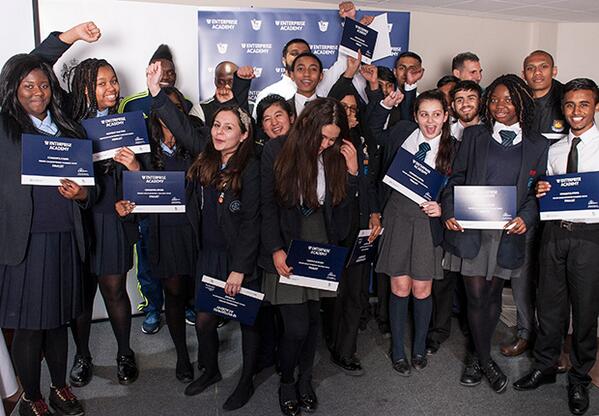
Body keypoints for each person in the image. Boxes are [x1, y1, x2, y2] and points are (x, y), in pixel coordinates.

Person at [0, 22, 101, 416]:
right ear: (13, 89)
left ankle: (59, 388)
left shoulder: (68, 129)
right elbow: (30, 62)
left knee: (59, 322)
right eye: (28, 86)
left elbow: (90, 188)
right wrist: (70, 36)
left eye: (43, 85)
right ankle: (32, 397)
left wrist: (82, 195)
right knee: (29, 327)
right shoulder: (6, 127)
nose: (37, 92)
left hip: (65, 239)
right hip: (25, 244)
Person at [441, 74, 548, 393]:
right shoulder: (474, 135)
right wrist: (449, 210)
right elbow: (455, 178)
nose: (500, 105)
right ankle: (484, 361)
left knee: (491, 298)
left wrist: (527, 216)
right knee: (476, 297)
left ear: (522, 103)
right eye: (495, 99)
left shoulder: (538, 144)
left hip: (507, 233)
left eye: (509, 99)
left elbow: (538, 192)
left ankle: (477, 355)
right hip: (473, 230)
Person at [260, 98, 358, 415]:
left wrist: (353, 173)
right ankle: (287, 381)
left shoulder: (334, 156)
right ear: (307, 124)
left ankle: (305, 379)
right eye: (323, 137)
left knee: (313, 321)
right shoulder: (276, 149)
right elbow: (266, 206)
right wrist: (275, 248)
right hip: (287, 242)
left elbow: (343, 219)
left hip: (320, 240)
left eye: (332, 139)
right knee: (296, 327)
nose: (326, 144)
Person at [513, 78, 599, 416]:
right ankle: (545, 366)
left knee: (585, 310)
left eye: (584, 104)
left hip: (590, 237)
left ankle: (579, 377)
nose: (576, 111)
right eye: (570, 104)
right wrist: (541, 189)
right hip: (553, 233)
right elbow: (546, 189)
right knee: (548, 304)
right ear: (563, 107)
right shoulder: (555, 149)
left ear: (595, 107)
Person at [174, 89, 261, 412]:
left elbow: (252, 222)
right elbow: (181, 127)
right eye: (216, 125)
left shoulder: (251, 166)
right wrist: (156, 95)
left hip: (239, 259)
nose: (219, 132)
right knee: (204, 321)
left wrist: (240, 268)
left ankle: (246, 380)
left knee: (249, 322)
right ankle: (210, 370)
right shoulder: (206, 159)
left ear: (244, 134)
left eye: (228, 127)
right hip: (209, 255)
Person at [116, 84, 202, 384]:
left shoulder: (197, 141)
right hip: (164, 233)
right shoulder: (145, 147)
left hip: (196, 231)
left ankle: (207, 352)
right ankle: (182, 356)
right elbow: (140, 197)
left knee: (200, 295)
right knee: (174, 294)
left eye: (175, 107)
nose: (170, 113)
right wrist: (134, 168)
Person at [369, 89, 454, 376]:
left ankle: (418, 348)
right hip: (397, 215)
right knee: (399, 287)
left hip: (427, 222)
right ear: (415, 116)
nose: (430, 121)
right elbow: (372, 132)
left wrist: (444, 208)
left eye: (436, 114)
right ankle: (397, 350)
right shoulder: (402, 133)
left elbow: (460, 185)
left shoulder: (454, 147)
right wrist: (384, 105)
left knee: (422, 289)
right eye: (424, 114)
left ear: (445, 116)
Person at [118, 44, 193, 336]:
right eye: (160, 70)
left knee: (185, 265)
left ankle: (186, 303)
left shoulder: (187, 108)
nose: (167, 75)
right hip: (149, 206)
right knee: (148, 259)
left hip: (183, 212)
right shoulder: (133, 107)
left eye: (171, 71)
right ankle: (152, 306)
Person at [326, 56, 382, 376]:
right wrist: (350, 173)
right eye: (344, 108)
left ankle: (346, 350)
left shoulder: (362, 140)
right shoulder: (326, 144)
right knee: (335, 293)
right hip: (334, 229)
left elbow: (370, 182)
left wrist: (374, 213)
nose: (351, 113)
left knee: (355, 294)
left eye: (353, 109)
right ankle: (333, 342)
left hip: (360, 226)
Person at [426, 80, 483, 360]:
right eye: (459, 99)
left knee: (475, 285)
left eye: (471, 98)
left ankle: (477, 336)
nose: (465, 104)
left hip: (480, 218)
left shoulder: (491, 135)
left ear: (480, 101)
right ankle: (438, 331)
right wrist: (445, 208)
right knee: (443, 279)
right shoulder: (444, 136)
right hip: (445, 215)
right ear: (452, 105)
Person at [252, 1, 369, 115]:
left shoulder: (323, 83)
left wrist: (350, 21)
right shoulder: (269, 93)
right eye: (294, 53)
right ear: (284, 60)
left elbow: (346, 61)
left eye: (305, 53)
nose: (300, 57)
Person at [522, 50, 568, 142]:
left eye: (544, 67)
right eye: (530, 68)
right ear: (524, 75)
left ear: (554, 71)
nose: (537, 72)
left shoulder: (568, 98)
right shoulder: (515, 101)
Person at [189, 61, 253, 126]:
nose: (226, 86)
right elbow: (195, 132)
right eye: (221, 82)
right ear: (215, 81)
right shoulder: (200, 108)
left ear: (237, 81)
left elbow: (249, 129)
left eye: (231, 81)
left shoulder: (250, 107)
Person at [287, 52, 324, 117]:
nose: (307, 74)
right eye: (300, 69)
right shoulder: (284, 108)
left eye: (313, 69)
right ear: (292, 75)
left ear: (321, 76)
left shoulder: (328, 107)